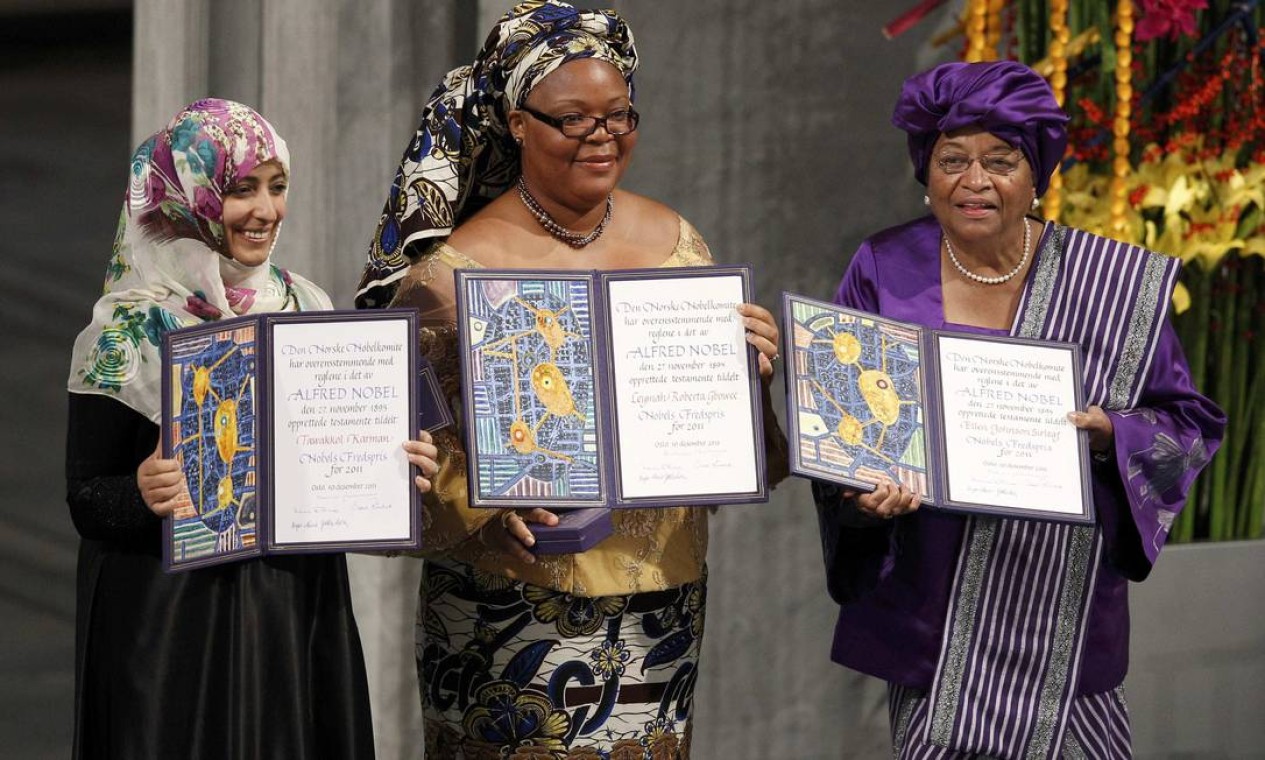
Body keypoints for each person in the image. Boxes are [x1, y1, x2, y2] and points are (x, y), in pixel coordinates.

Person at [355, 2, 787, 757]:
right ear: (517, 123)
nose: (602, 138)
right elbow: (396, 468)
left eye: (618, 116)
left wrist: (754, 381)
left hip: (660, 609)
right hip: (508, 609)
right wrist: (485, 508)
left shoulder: (681, 246)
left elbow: (754, 458)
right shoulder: (452, 274)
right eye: (573, 120)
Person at [813, 61, 1226, 760]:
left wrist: (1109, 437)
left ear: (1036, 176)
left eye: (999, 161)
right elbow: (838, 421)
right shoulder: (883, 266)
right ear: (925, 169)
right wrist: (860, 494)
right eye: (951, 160)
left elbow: (1184, 426)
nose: (973, 182)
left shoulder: (1109, 284)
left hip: (1058, 617)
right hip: (932, 618)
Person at [65, 98, 436, 758]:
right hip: (171, 620)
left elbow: (338, 449)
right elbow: (87, 496)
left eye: (277, 186)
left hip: (288, 609)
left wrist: (398, 466)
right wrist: (141, 494)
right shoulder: (124, 333)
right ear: (188, 196)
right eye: (242, 189)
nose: (267, 210)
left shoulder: (306, 303)